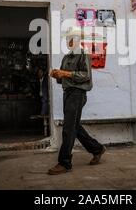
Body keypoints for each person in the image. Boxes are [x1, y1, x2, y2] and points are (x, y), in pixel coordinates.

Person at [48, 27, 106, 175]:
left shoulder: (83, 54)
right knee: (74, 126)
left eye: (71, 38)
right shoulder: (66, 57)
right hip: (67, 93)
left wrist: (65, 73)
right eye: (67, 39)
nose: (69, 41)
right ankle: (97, 149)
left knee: (69, 128)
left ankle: (64, 162)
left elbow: (85, 75)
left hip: (77, 94)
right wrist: (57, 75)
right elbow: (63, 80)